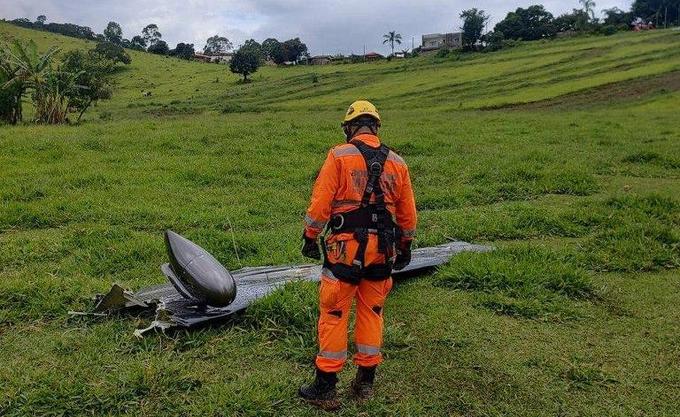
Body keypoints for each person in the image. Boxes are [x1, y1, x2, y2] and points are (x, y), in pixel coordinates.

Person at [299, 100, 417, 408]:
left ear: (350, 128)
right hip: (382, 253)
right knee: (372, 312)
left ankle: (325, 388)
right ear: (376, 127)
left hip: (344, 252)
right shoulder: (398, 162)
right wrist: (405, 245)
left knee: (335, 313)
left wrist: (310, 237)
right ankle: (365, 383)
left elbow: (320, 203)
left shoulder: (339, 155)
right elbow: (407, 214)